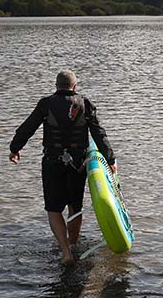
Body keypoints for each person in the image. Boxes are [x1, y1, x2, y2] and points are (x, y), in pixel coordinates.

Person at [8, 70, 116, 266]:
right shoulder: (85, 103)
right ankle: (73, 244)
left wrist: (15, 148)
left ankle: (65, 251)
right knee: (75, 206)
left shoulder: (46, 103)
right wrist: (110, 159)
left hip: (52, 162)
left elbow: (28, 127)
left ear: (56, 86)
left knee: (53, 208)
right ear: (74, 86)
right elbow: (99, 133)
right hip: (77, 164)